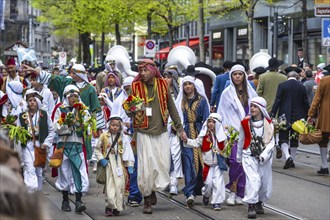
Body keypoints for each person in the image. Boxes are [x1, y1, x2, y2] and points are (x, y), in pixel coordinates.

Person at [126, 59, 186, 214]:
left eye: (145, 70)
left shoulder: (163, 85)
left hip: (161, 131)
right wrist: (131, 110)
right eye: (141, 71)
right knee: (146, 167)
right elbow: (129, 110)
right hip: (143, 132)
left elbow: (172, 108)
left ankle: (152, 190)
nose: (143, 74)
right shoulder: (135, 86)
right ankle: (146, 198)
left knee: (162, 165)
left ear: (152, 70)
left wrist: (180, 129)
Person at [217, 64, 258, 206]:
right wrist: (223, 132)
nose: (238, 77)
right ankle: (233, 190)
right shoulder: (226, 93)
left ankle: (240, 192)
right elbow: (221, 113)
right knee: (235, 160)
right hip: (232, 133)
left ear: (244, 76)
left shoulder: (251, 92)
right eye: (235, 75)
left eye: (240, 74)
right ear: (231, 76)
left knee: (245, 163)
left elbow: (258, 109)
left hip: (248, 132)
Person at [53, 85, 91, 213]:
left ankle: (79, 200)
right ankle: (65, 200)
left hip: (77, 145)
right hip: (64, 145)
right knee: (64, 172)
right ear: (66, 97)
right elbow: (56, 128)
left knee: (78, 172)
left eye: (75, 96)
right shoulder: (60, 109)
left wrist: (79, 124)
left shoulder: (83, 110)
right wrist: (68, 125)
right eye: (71, 96)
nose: (73, 99)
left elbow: (88, 127)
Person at [237, 97, 275, 218]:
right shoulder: (245, 122)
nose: (252, 108)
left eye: (255, 106)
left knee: (264, 182)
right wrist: (238, 156)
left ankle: (259, 201)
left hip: (264, 157)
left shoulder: (269, 124)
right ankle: (251, 205)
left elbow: (272, 142)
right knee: (253, 180)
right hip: (249, 155)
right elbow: (241, 140)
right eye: (251, 106)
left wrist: (264, 155)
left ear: (261, 109)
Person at [175, 75, 210, 207]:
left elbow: (207, 118)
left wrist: (205, 133)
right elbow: (176, 117)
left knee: (201, 163)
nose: (188, 86)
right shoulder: (181, 102)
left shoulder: (201, 101)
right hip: (186, 134)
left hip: (200, 132)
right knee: (188, 162)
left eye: (190, 84)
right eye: (185, 84)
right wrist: (180, 131)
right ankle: (189, 193)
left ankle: (199, 188)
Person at [183, 113, 227, 211]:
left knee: (218, 184)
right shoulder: (204, 135)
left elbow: (227, 149)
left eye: (213, 122)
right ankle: (206, 195)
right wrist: (187, 140)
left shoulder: (223, 136)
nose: (210, 124)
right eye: (209, 122)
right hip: (207, 164)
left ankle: (216, 202)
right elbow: (196, 142)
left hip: (218, 164)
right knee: (208, 184)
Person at [95, 115, 135, 216]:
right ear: (109, 125)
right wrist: (101, 159)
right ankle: (109, 207)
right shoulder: (104, 136)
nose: (115, 127)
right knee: (110, 187)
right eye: (113, 125)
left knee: (120, 187)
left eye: (117, 125)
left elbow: (128, 151)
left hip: (119, 166)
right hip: (108, 166)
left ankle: (118, 206)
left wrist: (129, 164)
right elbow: (97, 149)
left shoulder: (123, 137)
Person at [17, 90, 55, 192]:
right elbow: (18, 131)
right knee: (30, 168)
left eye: (34, 100)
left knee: (38, 171)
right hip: (27, 145)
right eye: (30, 100)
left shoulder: (44, 115)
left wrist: (46, 143)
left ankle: (37, 194)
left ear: (38, 102)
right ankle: (30, 192)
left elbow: (52, 130)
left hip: (40, 145)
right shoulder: (22, 116)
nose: (32, 102)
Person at [270, 71, 309, 169]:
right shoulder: (302, 86)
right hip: (299, 117)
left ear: (287, 77)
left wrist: (272, 113)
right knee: (294, 138)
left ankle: (287, 157)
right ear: (297, 77)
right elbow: (305, 102)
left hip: (284, 115)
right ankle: (292, 159)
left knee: (283, 137)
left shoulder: (282, 86)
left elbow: (277, 101)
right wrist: (309, 115)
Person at [163, 67, 183, 195]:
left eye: (169, 77)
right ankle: (166, 181)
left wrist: (178, 126)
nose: (166, 79)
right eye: (164, 76)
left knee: (175, 156)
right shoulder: (160, 92)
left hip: (175, 130)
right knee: (165, 157)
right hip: (163, 129)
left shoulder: (179, 94)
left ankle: (174, 183)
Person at [307, 73, 330, 175]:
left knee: (323, 139)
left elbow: (316, 99)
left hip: (326, 114)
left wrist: (311, 114)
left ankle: (325, 166)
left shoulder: (324, 80)